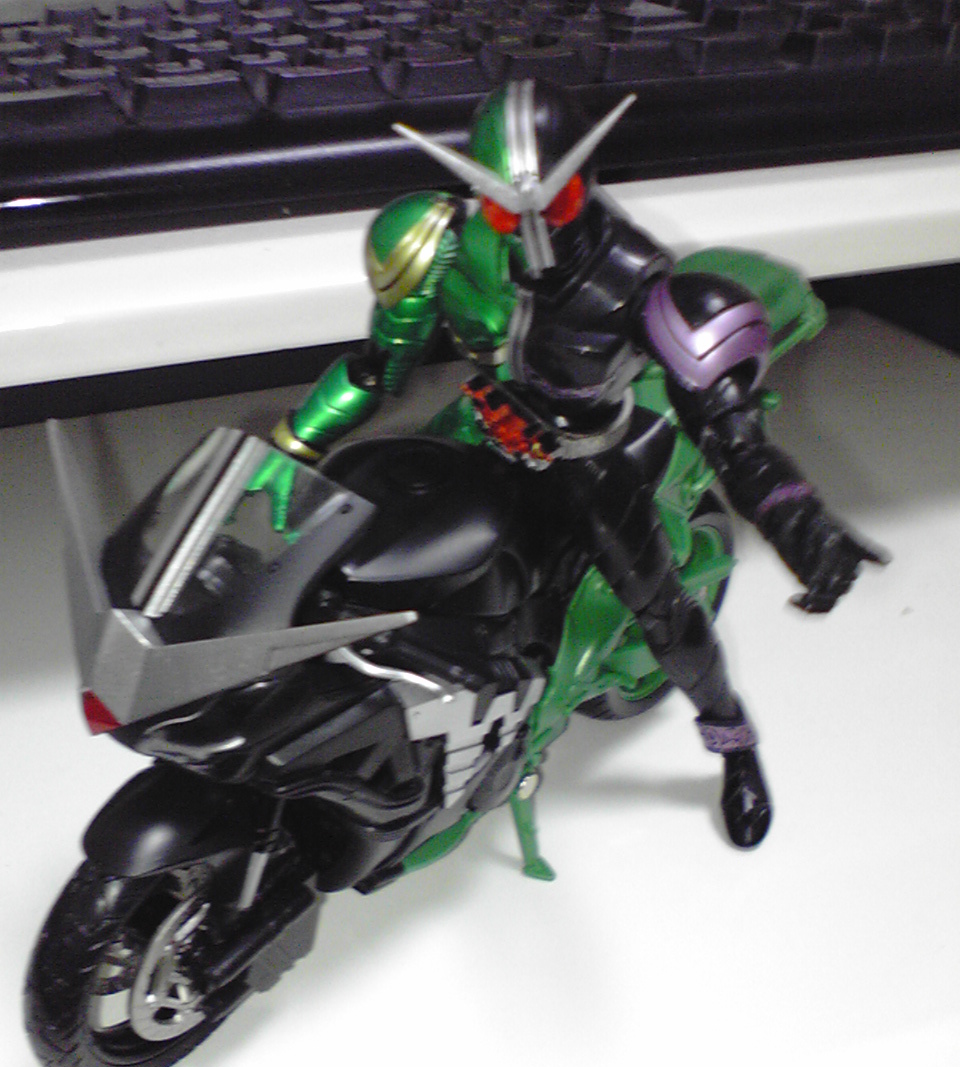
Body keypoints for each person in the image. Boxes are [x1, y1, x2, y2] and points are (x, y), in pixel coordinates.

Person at [254, 79, 884, 849]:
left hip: (588, 471)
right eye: (504, 211)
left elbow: (731, 434)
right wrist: (294, 444)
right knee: (357, 563)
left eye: (552, 206)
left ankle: (733, 741)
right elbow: (375, 367)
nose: (532, 233)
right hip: (474, 434)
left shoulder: (642, 281)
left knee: (665, 618)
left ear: (582, 181)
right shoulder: (432, 240)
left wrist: (798, 519)